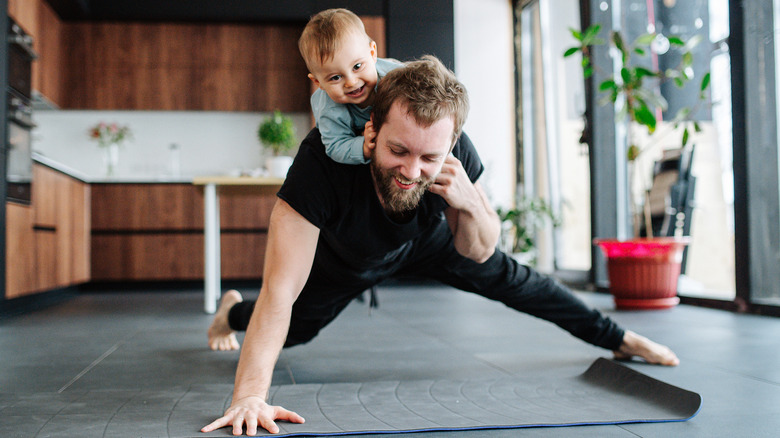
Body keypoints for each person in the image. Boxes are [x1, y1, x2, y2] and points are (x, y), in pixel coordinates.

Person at [202, 56, 679, 436]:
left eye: (429, 157)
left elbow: (481, 252)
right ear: (371, 131)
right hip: (347, 257)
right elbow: (280, 291)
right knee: (296, 329)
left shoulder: (458, 157)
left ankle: (618, 338)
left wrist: (471, 202)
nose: (411, 171)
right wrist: (248, 395)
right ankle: (230, 313)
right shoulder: (320, 164)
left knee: (517, 280)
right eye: (397, 151)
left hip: (427, 241)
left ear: (450, 145)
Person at [299, 8, 403, 165]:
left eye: (357, 66)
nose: (351, 82)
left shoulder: (397, 77)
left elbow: (430, 90)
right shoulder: (329, 109)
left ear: (372, 53)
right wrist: (363, 147)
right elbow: (335, 145)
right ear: (319, 83)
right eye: (335, 77)